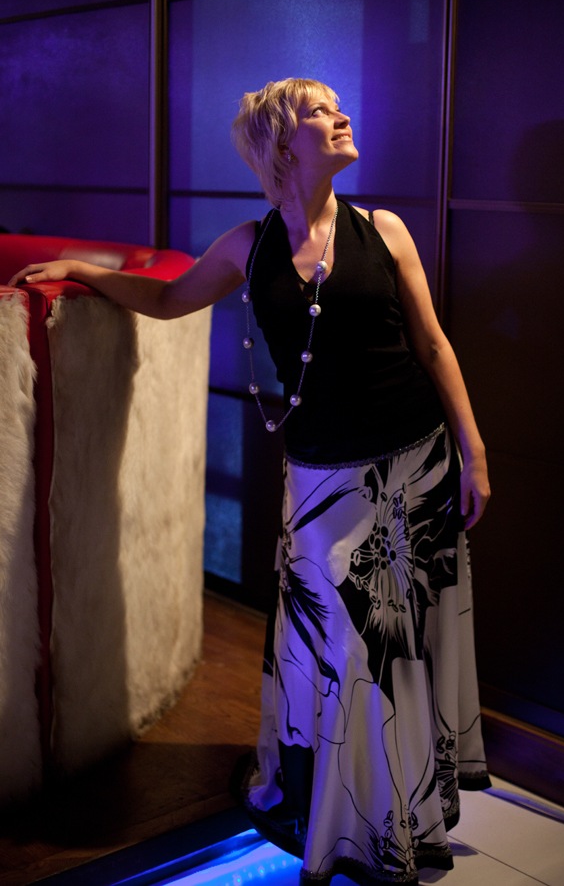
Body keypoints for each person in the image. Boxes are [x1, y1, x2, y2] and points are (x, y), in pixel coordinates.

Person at [10, 78, 491, 885]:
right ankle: (342, 809)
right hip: (323, 479)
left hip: (414, 462)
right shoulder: (248, 245)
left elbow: (434, 344)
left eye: (337, 106)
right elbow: (170, 298)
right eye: (319, 111)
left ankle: (399, 815)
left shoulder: (385, 230)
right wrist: (84, 272)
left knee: (401, 645)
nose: (341, 117)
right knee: (337, 648)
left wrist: (473, 453)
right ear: (280, 144)